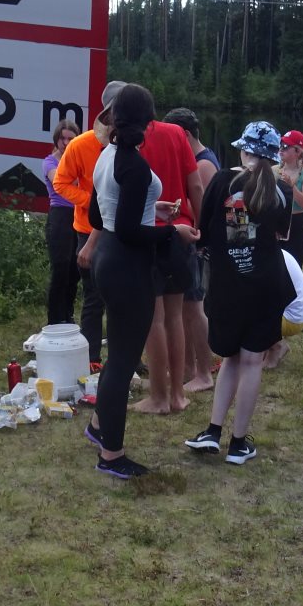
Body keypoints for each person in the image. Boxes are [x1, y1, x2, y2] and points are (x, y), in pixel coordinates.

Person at [87, 83, 200, 479]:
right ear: (149, 120)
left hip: (107, 258)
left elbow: (99, 216)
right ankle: (112, 455)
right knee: (122, 360)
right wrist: (172, 232)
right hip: (128, 265)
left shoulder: (106, 155)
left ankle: (99, 427)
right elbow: (132, 231)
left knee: (117, 354)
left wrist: (154, 208)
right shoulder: (133, 165)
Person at [183, 121, 295, 464]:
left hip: (227, 284)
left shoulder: (221, 181)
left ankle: (213, 430)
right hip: (265, 285)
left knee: (231, 358)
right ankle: (238, 443)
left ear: (243, 150)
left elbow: (203, 232)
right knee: (252, 361)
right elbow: (281, 235)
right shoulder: (282, 189)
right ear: (274, 157)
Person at [135, 109, 203, 414]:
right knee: (176, 317)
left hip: (148, 233)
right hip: (181, 233)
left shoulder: (129, 137)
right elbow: (196, 186)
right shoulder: (176, 133)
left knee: (154, 319)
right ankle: (177, 395)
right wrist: (200, 227)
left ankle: (158, 398)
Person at [55, 86, 119, 368]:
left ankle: (125, 357)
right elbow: (60, 182)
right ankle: (91, 357)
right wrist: (90, 202)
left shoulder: (135, 145)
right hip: (87, 229)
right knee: (93, 296)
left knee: (121, 296)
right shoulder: (80, 145)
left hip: (121, 230)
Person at [165, 107, 218, 394]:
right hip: (188, 240)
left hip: (197, 243)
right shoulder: (195, 160)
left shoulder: (203, 164)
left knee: (194, 308)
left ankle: (204, 373)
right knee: (184, 309)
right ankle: (186, 368)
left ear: (184, 134)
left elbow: (203, 208)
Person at [43, 118, 83, 326]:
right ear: (56, 140)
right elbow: (60, 181)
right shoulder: (50, 161)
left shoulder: (79, 160)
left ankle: (68, 315)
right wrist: (80, 177)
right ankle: (54, 319)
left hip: (79, 215)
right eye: (62, 139)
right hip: (60, 215)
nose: (66, 143)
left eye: (70, 139)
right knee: (60, 268)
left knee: (75, 270)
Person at [263, 250, 303, 370]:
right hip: (293, 315)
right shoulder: (272, 252)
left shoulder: (267, 257)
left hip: (291, 319)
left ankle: (277, 346)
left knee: (243, 315)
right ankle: (269, 346)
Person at [276, 129, 303, 267]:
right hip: (277, 220)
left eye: (285, 146)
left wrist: (291, 187)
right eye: (280, 145)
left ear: (298, 151)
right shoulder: (274, 170)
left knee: (293, 265)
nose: (281, 149)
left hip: (296, 222)